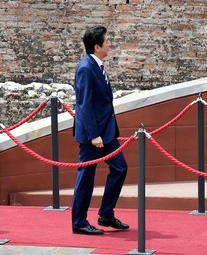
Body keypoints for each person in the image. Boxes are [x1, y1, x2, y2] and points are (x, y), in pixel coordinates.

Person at [71, 25, 129, 235]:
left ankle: (106, 213)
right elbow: (84, 105)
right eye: (107, 41)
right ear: (97, 46)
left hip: (108, 132)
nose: (110, 43)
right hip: (93, 135)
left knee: (120, 168)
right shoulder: (86, 68)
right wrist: (94, 135)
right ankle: (78, 222)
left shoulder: (97, 65)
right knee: (86, 176)